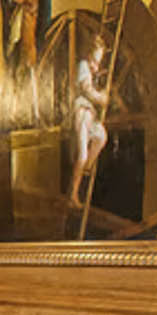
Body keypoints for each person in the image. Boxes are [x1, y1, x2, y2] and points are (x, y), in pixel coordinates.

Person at [68, 34, 111, 204]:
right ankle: (73, 195)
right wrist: (101, 98)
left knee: (101, 136)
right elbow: (86, 89)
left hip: (90, 114)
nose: (96, 66)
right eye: (94, 60)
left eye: (98, 62)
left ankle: (85, 169)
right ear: (88, 56)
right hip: (82, 112)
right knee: (82, 155)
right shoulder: (83, 66)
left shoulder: (90, 68)